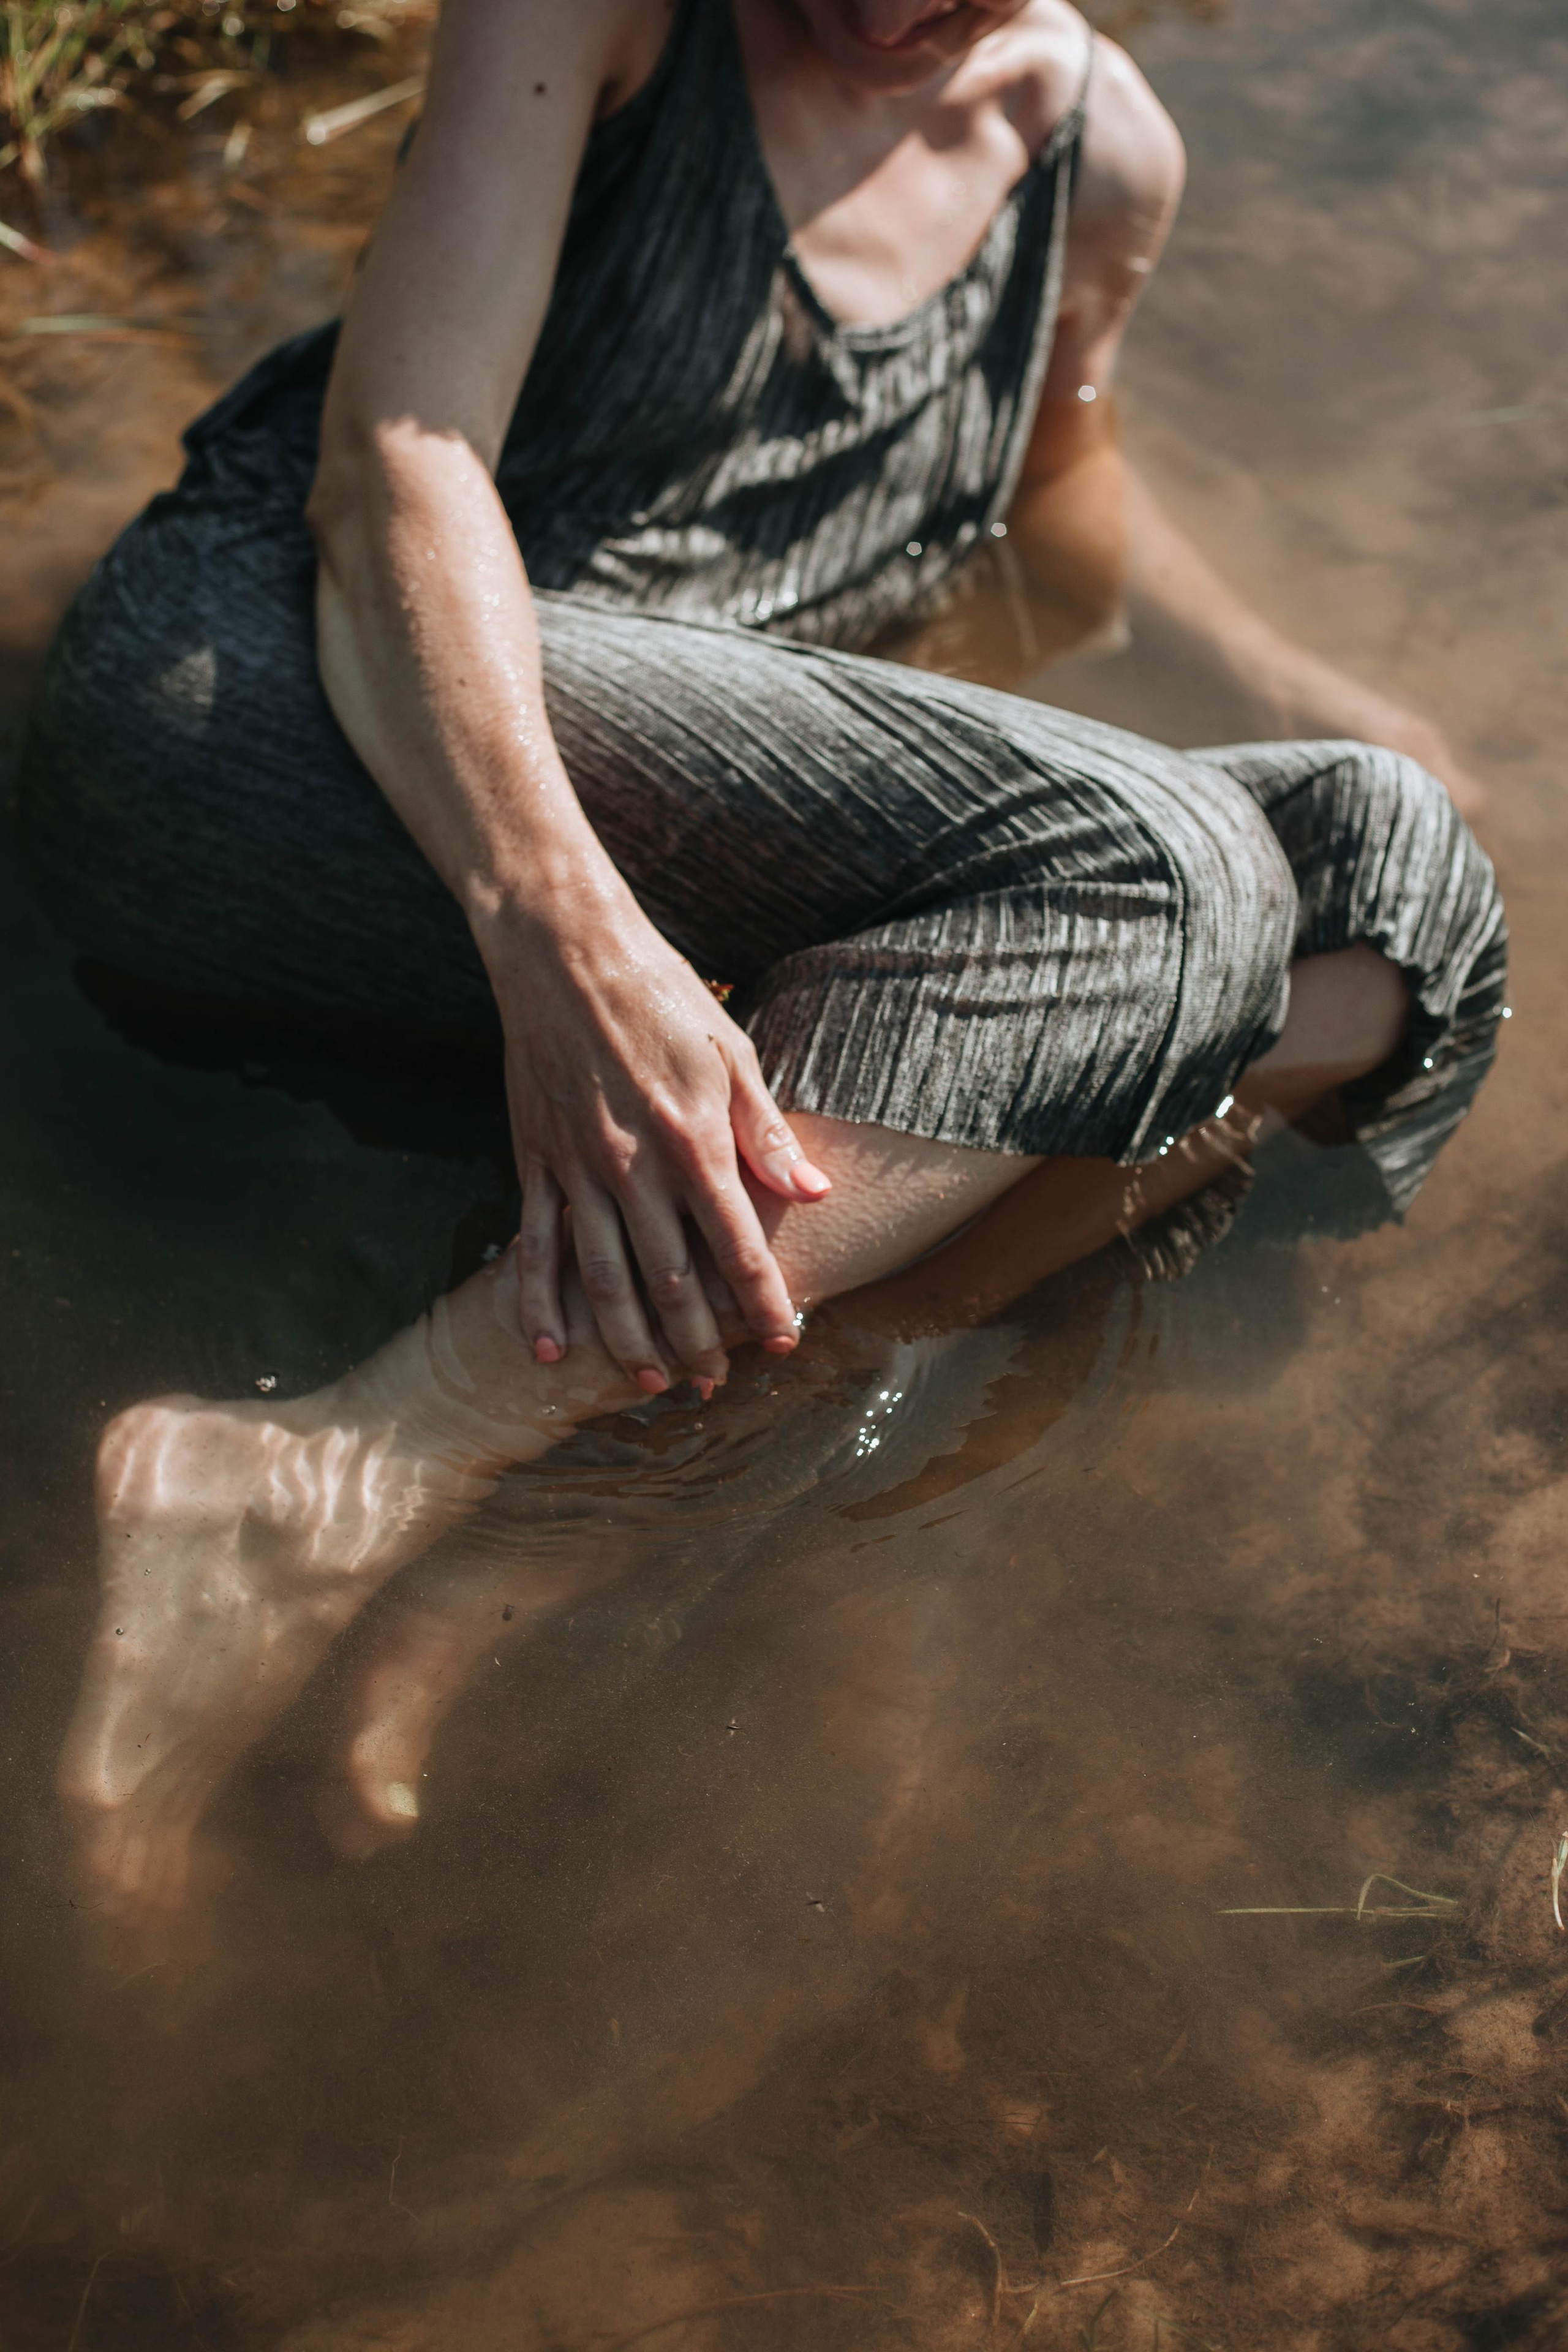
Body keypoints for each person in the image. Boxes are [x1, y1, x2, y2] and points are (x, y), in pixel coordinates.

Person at [14, 0, 1504, 1915]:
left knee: (1404, 889)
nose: (901, 14)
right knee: (1169, 872)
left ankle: (651, 1445)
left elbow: (1056, 507)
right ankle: (338, 1473)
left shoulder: (1100, 152)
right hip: (296, 718)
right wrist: (566, 936)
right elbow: (395, 460)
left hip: (690, 842)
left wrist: (1305, 684)